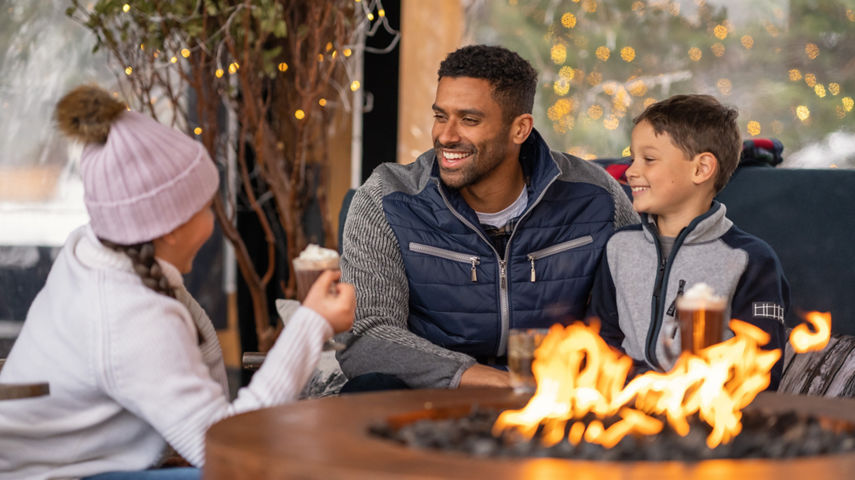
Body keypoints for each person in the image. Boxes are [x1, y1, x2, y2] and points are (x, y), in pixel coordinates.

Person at [0, 85, 355, 480]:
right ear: (168, 228)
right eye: (205, 208)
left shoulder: (94, 252)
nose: (215, 221)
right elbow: (227, 443)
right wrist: (313, 323)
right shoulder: (129, 315)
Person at [336, 45, 636, 390]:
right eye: (440, 116)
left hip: (556, 398)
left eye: (469, 120)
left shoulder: (595, 197)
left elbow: (637, 315)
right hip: (433, 396)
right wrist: (492, 380)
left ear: (520, 129)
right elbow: (364, 336)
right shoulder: (389, 197)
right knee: (370, 387)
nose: (446, 136)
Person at [587, 94, 789, 389]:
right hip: (624, 409)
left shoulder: (750, 260)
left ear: (701, 169)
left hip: (704, 416)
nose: (630, 171)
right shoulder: (619, 248)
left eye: (649, 159)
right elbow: (600, 339)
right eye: (633, 158)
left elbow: (760, 370)